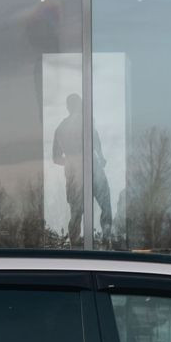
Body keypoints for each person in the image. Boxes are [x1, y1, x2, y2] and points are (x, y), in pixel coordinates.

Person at [52, 93, 112, 244]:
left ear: (68, 107)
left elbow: (56, 158)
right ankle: (106, 238)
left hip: (76, 170)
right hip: (91, 167)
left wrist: (70, 161)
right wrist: (100, 157)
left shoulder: (61, 128)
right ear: (78, 106)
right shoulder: (85, 122)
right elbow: (96, 140)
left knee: (77, 211)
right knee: (104, 203)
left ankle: (76, 243)